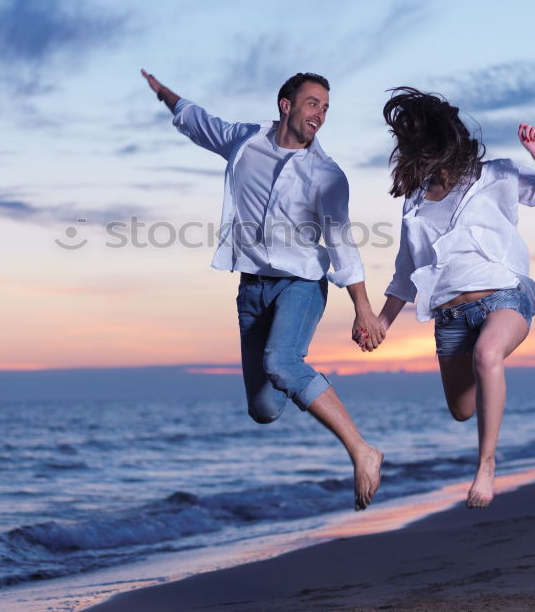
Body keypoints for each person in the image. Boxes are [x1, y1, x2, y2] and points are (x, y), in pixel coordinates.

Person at [141, 68, 385, 510]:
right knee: (264, 409)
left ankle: (362, 450)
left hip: (302, 284)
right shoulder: (245, 141)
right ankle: (299, 379)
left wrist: (363, 309)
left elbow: (342, 241)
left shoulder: (327, 174)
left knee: (282, 361)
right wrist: (163, 94)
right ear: (286, 105)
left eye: (326, 108)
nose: (321, 114)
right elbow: (199, 122)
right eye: (313, 103)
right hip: (251, 288)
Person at [368, 87, 535, 508]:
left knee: (487, 356)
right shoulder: (415, 202)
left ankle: (486, 465)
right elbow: (406, 273)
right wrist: (382, 322)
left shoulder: (495, 175)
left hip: (503, 298)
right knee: (462, 410)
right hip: (450, 317)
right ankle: (492, 390)